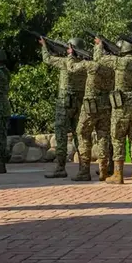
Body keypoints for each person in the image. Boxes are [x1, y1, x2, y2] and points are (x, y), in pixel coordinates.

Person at [94, 39, 132, 184]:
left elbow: (98, 59)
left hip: (121, 108)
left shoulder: (119, 62)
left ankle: (118, 174)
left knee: (118, 139)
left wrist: (99, 46)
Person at [64, 40, 114, 181]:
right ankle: (104, 170)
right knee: (103, 136)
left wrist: (70, 55)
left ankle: (84, 171)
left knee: (82, 133)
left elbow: (71, 68)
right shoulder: (112, 69)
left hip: (90, 106)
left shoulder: (91, 65)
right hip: (106, 106)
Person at [40, 37, 87, 178]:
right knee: (80, 135)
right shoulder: (86, 64)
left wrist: (44, 46)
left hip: (65, 103)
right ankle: (83, 169)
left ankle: (60, 168)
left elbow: (47, 59)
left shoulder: (65, 62)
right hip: (80, 103)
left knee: (61, 134)